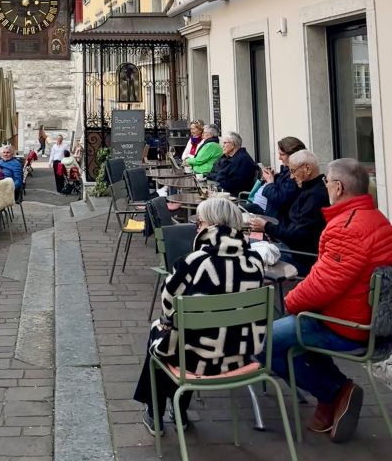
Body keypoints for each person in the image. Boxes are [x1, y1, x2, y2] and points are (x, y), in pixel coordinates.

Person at [263, 158, 392, 443]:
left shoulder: (347, 227)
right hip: (363, 318)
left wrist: (290, 302)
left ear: (338, 186)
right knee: (295, 334)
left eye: (327, 182)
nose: (325, 187)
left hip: (347, 326)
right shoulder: (376, 219)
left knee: (264, 343)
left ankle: (335, 391)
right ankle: (331, 400)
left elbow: (324, 284)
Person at [133, 196, 265, 436]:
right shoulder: (255, 262)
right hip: (239, 355)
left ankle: (155, 411)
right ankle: (179, 411)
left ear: (208, 226)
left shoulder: (192, 263)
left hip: (197, 360)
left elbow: (167, 308)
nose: (197, 227)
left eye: (198, 223)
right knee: (186, 334)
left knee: (164, 334)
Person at [250, 149, 328, 269]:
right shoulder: (307, 189)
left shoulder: (315, 196)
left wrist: (267, 227)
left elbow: (297, 235)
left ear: (307, 168)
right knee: (250, 242)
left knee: (250, 254)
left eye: (293, 171)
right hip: (288, 245)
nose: (291, 176)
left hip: (298, 256)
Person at [244, 136, 305, 216]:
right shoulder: (287, 171)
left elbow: (280, 200)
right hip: (270, 216)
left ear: (293, 155)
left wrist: (269, 182)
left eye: (282, 154)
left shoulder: (294, 175)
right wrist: (274, 176)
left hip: (274, 219)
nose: (279, 158)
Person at [209, 132, 258, 196]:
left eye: (225, 143)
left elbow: (234, 185)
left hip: (234, 196)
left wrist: (219, 177)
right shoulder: (233, 158)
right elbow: (215, 173)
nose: (222, 146)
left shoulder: (243, 160)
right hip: (226, 192)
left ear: (232, 145)